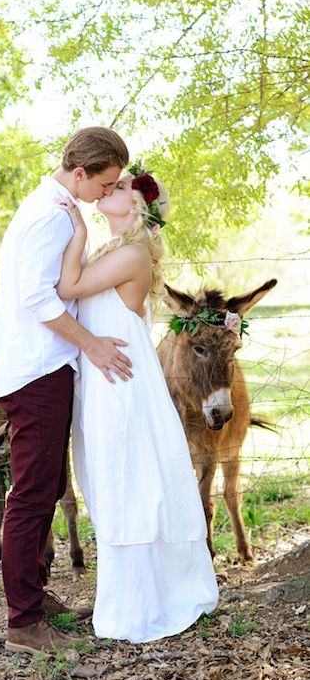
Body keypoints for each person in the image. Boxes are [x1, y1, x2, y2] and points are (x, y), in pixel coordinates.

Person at [54, 168, 219, 643]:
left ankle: (141, 603)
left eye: (122, 187)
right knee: (107, 479)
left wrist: (79, 228)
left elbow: (67, 288)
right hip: (105, 381)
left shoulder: (132, 254)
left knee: (126, 481)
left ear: (139, 208)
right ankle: (132, 592)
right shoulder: (112, 251)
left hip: (121, 386)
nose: (111, 189)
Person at [0, 126, 131, 655]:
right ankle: (23, 622)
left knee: (47, 488)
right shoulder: (51, 214)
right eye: (106, 183)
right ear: (81, 172)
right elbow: (37, 297)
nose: (106, 192)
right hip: (38, 371)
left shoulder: (52, 205)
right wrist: (93, 345)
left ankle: (33, 592)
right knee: (31, 496)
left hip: (44, 368)